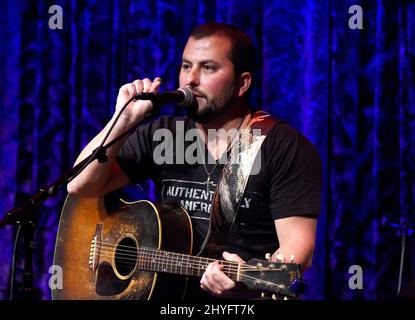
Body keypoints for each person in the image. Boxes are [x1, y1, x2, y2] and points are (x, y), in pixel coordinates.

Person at [67, 22, 322, 300]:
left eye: (208, 68)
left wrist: (246, 280)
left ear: (242, 83)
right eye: (186, 66)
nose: (190, 80)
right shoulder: (162, 134)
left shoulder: (282, 147)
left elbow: (299, 251)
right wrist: (123, 120)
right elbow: (80, 185)